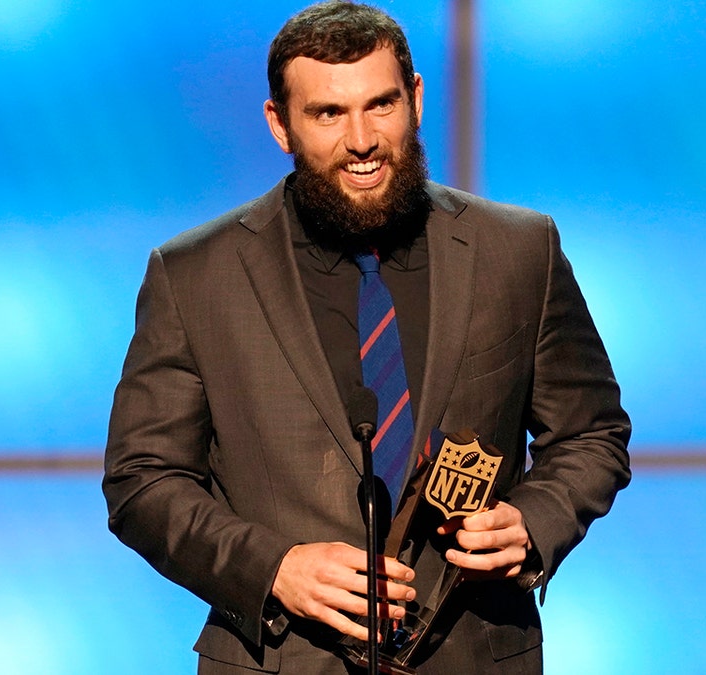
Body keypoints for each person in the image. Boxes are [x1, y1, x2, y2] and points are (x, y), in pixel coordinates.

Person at [103, 2, 631, 673]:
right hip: (283, 657)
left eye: (380, 104)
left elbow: (592, 434)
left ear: (414, 98)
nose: (361, 140)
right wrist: (277, 569)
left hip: (475, 654)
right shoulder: (194, 276)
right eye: (327, 114)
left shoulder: (518, 251)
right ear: (279, 124)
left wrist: (532, 521)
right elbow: (142, 481)